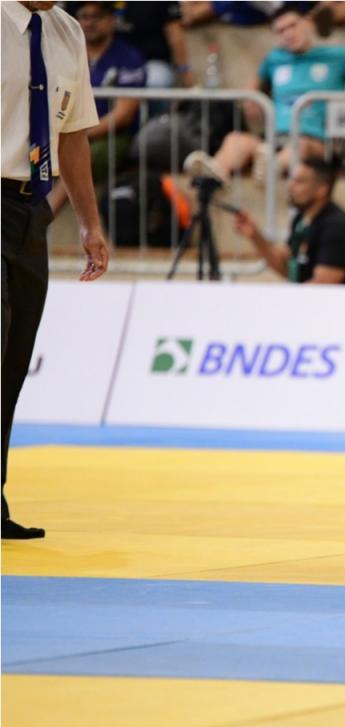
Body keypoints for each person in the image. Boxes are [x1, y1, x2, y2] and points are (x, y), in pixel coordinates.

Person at [2, 0, 110, 540]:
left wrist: (90, 224)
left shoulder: (66, 31)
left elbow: (72, 135)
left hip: (30, 209)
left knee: (11, 362)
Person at [182, 6, 345, 184]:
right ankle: (213, 175)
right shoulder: (275, 59)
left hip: (317, 140)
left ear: (307, 23)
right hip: (276, 137)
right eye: (281, 31)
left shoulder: (337, 56)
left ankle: (271, 168)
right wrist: (252, 101)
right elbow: (252, 88)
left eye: (292, 26)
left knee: (301, 145)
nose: (288, 33)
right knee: (235, 140)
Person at [231, 155, 345, 285]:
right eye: (291, 179)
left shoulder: (336, 226)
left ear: (322, 189)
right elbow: (286, 266)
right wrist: (255, 236)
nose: (290, 186)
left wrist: (287, 302)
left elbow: (325, 285)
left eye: (299, 182)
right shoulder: (301, 219)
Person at [69, 0, 146, 184]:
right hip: (71, 130)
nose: (89, 23)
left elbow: (123, 115)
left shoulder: (128, 56)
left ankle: (49, 212)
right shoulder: (68, 53)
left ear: (112, 19)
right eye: (84, 17)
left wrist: (79, 135)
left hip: (112, 134)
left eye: (96, 16)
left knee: (78, 158)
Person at [111, 0, 193, 89]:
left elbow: (175, 36)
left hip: (153, 63)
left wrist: (184, 70)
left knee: (155, 81)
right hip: (115, 63)